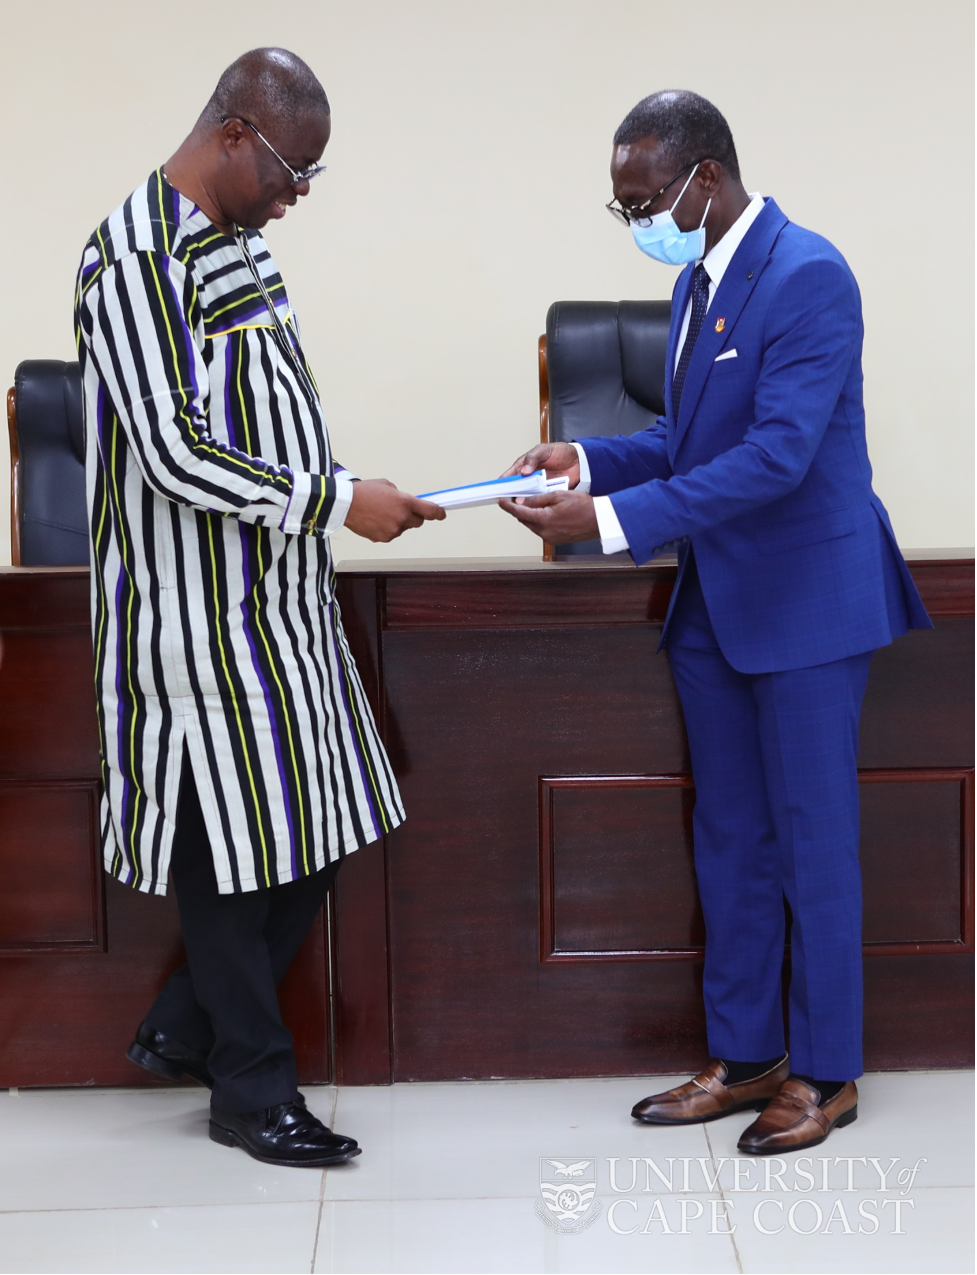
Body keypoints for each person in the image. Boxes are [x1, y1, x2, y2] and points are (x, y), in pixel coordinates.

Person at [501, 90, 931, 1154]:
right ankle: (747, 1058)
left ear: (702, 177)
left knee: (810, 846)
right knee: (728, 842)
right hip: (715, 613)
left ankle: (825, 1074)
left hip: (805, 609)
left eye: (642, 199)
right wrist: (590, 459)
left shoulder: (808, 274)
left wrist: (605, 520)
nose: (637, 220)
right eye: (622, 207)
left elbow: (776, 456)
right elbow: (688, 437)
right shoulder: (702, 280)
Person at [74, 48, 445, 1168]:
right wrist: (338, 498)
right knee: (225, 854)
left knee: (324, 823)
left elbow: (257, 413)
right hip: (191, 627)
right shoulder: (132, 257)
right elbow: (174, 450)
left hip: (274, 602)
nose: (296, 193)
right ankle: (249, 1086)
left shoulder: (229, 244)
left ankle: (186, 1024)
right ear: (234, 132)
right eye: (293, 167)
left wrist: (347, 490)